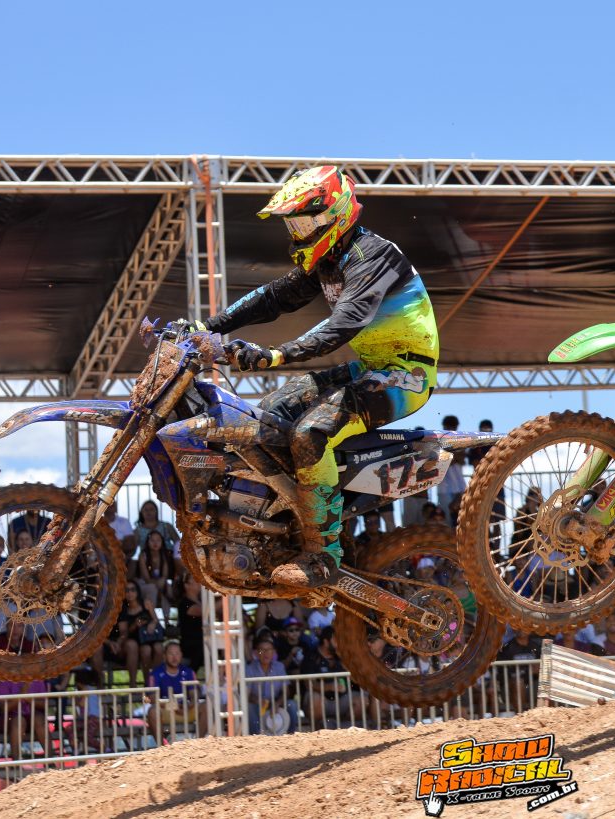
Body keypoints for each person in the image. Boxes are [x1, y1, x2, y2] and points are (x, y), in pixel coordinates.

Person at [176, 166, 438, 591]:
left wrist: (278, 353)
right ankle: (280, 526)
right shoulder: (329, 258)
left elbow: (346, 321)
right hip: (368, 368)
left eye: (303, 222)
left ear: (333, 214)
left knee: (309, 433)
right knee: (269, 416)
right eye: (293, 225)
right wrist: (207, 327)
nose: (296, 233)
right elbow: (273, 299)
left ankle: (324, 555)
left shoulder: (374, 256)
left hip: (404, 375)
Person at [146, 640, 205, 740]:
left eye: (177, 653)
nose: (174, 657)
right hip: (167, 710)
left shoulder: (188, 672)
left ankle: (198, 743)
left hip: (185, 709)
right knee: (152, 711)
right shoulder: (155, 673)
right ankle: (162, 749)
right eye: (171, 654)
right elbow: (152, 697)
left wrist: (191, 704)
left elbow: (194, 692)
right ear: (164, 656)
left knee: (206, 706)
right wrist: (172, 705)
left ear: (181, 655)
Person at [246, 635, 298, 734]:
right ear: (256, 653)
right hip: (257, 703)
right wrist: (257, 700)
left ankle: (292, 734)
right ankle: (255, 737)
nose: (266, 653)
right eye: (262, 650)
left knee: (291, 704)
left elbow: (286, 691)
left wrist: (277, 703)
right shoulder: (250, 669)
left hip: (276, 702)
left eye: (269, 650)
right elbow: (247, 694)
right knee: (249, 707)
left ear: (273, 652)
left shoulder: (279, 667)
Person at [133, 501, 180, 565]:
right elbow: (133, 549)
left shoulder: (166, 526)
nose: (148, 512)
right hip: (147, 562)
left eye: (151, 509)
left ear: (156, 511)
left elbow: (178, 543)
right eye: (146, 510)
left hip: (169, 559)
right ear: (141, 512)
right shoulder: (137, 531)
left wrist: (177, 558)